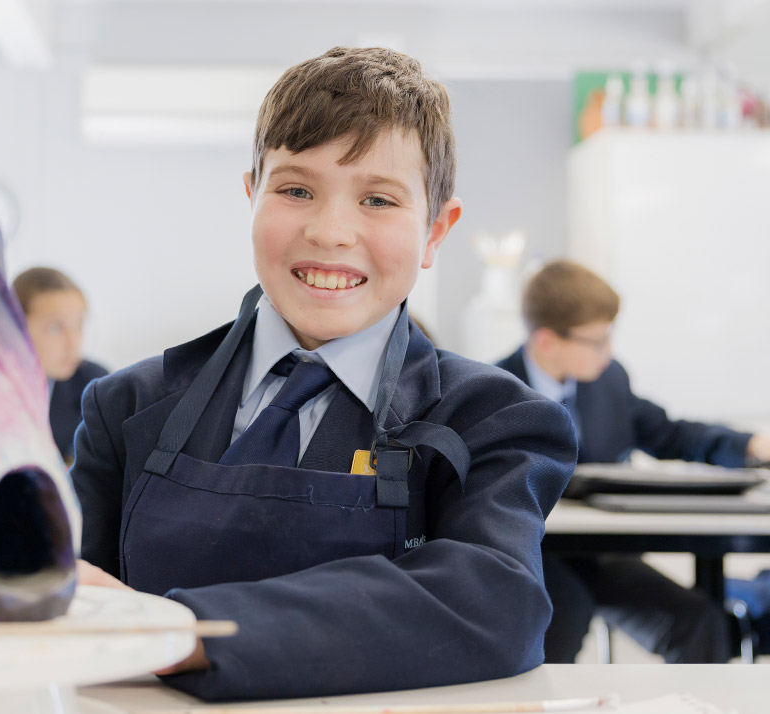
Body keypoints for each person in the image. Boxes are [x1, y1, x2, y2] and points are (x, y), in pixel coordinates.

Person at [69, 46, 576, 701]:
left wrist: (186, 631)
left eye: (378, 199)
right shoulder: (125, 407)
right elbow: (66, 607)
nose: (331, 230)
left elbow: (493, 602)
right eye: (296, 189)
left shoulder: (494, 419)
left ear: (436, 232)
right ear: (251, 195)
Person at [493, 259, 770, 664]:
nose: (607, 353)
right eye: (597, 341)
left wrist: (752, 445)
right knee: (562, 620)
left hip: (603, 551)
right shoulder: (495, 391)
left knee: (698, 621)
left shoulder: (608, 380)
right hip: (536, 555)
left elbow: (667, 433)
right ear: (547, 341)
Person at [12, 266, 110, 463]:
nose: (73, 343)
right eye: (55, 328)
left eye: (79, 325)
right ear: (14, 327)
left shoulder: (94, 384)